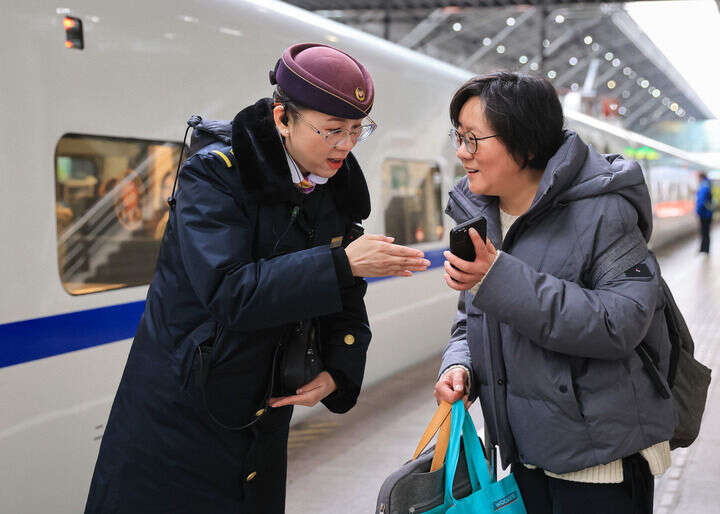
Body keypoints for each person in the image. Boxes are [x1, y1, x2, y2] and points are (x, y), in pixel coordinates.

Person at [85, 43, 430, 514]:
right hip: (180, 416)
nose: (346, 145)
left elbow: (345, 295)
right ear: (282, 118)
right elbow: (230, 291)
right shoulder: (215, 177)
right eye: (332, 130)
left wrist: (339, 367)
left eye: (357, 130)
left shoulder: (332, 187)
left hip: (263, 411)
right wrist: (341, 263)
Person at [434, 72, 675, 514]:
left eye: (474, 139)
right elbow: (472, 319)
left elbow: (620, 322)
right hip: (525, 455)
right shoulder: (481, 215)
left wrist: (497, 277)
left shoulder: (604, 211)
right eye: (459, 137)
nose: (462, 152)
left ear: (526, 145)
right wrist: (459, 365)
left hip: (600, 464)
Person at [696, 172, 714, 253]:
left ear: (701, 177)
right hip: (708, 213)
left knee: (704, 232)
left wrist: (698, 211)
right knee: (706, 232)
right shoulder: (708, 184)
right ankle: (704, 249)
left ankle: (705, 250)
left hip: (704, 214)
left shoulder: (703, 186)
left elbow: (701, 200)